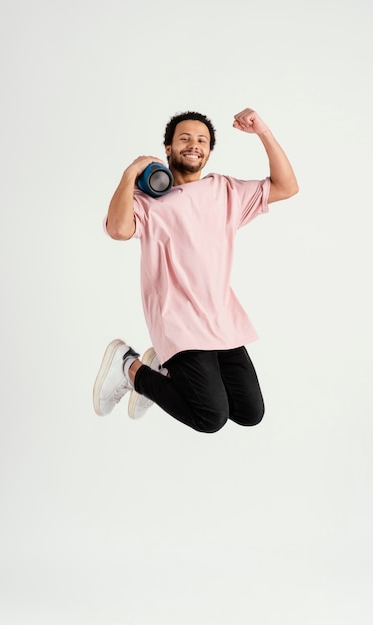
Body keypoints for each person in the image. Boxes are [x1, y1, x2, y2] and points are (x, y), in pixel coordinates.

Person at [93, 107, 298, 433]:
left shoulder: (226, 191)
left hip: (222, 320)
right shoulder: (148, 201)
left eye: (202, 140)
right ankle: (128, 366)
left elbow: (287, 187)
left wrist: (263, 131)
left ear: (209, 151)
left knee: (249, 411)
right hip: (179, 321)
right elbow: (118, 229)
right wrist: (131, 173)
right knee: (210, 417)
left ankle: (160, 369)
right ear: (168, 148)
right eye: (184, 138)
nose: (194, 144)